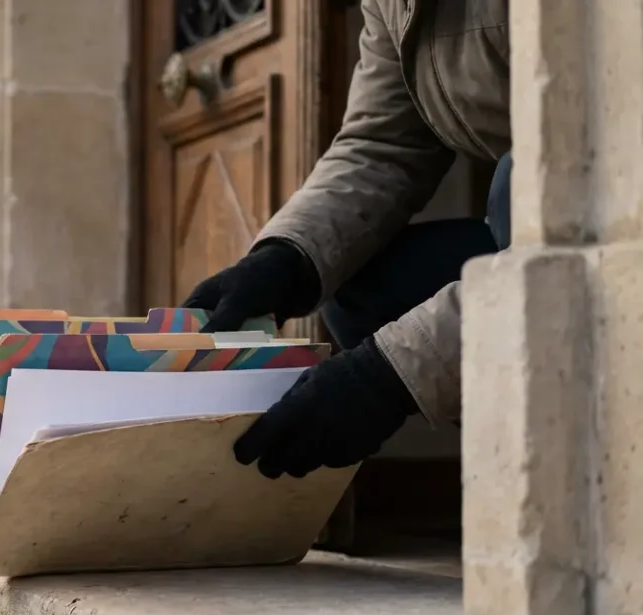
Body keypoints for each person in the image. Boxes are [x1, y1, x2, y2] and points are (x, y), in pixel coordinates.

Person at [183, 0, 511, 480]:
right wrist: (287, 256)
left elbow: (601, 212)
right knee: (363, 289)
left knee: (514, 182)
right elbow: (383, 143)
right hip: (528, 233)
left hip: (601, 235)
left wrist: (388, 378)